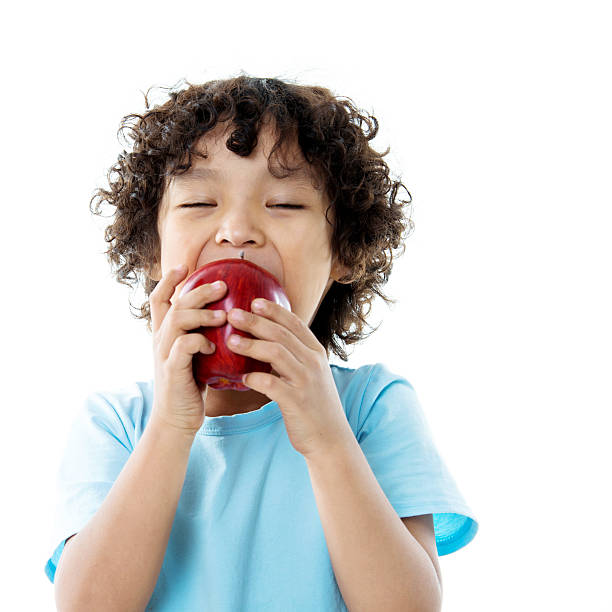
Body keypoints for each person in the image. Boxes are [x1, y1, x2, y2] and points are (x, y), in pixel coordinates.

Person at [44, 75, 478, 611]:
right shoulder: (117, 421)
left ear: (343, 253)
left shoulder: (370, 407)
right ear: (151, 250)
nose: (237, 229)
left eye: (286, 205)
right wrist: (171, 426)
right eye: (200, 202)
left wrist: (325, 436)